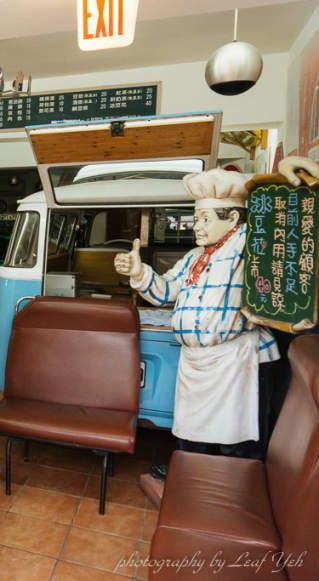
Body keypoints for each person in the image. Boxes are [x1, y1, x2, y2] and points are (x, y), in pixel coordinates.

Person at [114, 157, 319, 464]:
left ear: (233, 217)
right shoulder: (196, 255)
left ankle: (235, 500)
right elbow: (165, 292)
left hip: (236, 361)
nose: (196, 226)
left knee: (237, 446)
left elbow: (289, 229)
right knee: (191, 439)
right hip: (195, 364)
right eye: (196, 218)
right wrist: (139, 271)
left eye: (205, 218)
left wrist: (292, 183)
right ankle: (194, 489)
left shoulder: (250, 243)